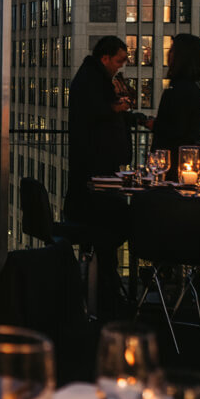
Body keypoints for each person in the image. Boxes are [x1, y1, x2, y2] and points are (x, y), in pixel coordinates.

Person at [65, 34, 133, 318]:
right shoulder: (92, 81)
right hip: (95, 179)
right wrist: (118, 106)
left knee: (106, 235)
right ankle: (105, 296)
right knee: (113, 228)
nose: (120, 66)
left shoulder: (91, 78)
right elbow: (95, 115)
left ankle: (100, 293)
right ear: (105, 57)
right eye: (118, 60)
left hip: (93, 177)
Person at [147, 33, 200, 179]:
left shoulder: (179, 88)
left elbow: (176, 128)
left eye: (172, 50)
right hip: (182, 162)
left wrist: (155, 124)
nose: (168, 53)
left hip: (171, 165)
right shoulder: (191, 88)